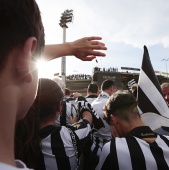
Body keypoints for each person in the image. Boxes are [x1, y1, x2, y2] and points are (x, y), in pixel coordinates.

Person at [0, 0, 107, 169]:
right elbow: (87, 122)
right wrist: (69, 48)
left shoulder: (26, 136)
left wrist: (69, 48)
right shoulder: (65, 135)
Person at [15, 78, 96, 169]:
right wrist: (83, 104)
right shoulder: (68, 136)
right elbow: (87, 120)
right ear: (58, 107)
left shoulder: (16, 134)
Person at [96, 90, 169, 170]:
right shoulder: (168, 140)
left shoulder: (112, 148)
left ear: (113, 120)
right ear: (139, 115)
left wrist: (116, 143)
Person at [90, 79, 117, 169]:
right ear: (112, 88)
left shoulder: (93, 103)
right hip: (110, 149)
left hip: (94, 148)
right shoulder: (113, 103)